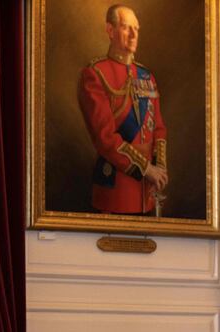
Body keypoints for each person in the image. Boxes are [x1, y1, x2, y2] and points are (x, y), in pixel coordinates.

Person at [77, 4, 167, 215]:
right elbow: (105, 138)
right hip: (116, 189)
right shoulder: (95, 73)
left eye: (137, 28)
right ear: (110, 31)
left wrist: (160, 170)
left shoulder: (147, 76)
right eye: (127, 27)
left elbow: (159, 129)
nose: (134, 34)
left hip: (147, 191)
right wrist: (147, 169)